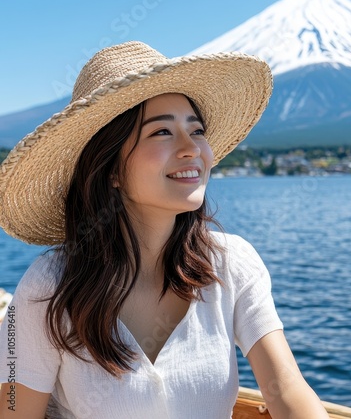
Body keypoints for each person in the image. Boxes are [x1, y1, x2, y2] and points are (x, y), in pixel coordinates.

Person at [0, 42, 329, 418]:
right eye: (162, 133)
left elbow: (286, 389)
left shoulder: (233, 264)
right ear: (110, 169)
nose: (193, 149)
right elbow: (12, 409)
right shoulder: (48, 286)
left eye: (197, 130)